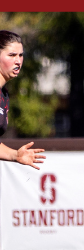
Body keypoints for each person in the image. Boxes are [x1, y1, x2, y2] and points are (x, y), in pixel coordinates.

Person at [0, 30, 46, 172]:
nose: (18, 61)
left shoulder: (4, 95)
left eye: (21, 55)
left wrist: (15, 155)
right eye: (12, 55)